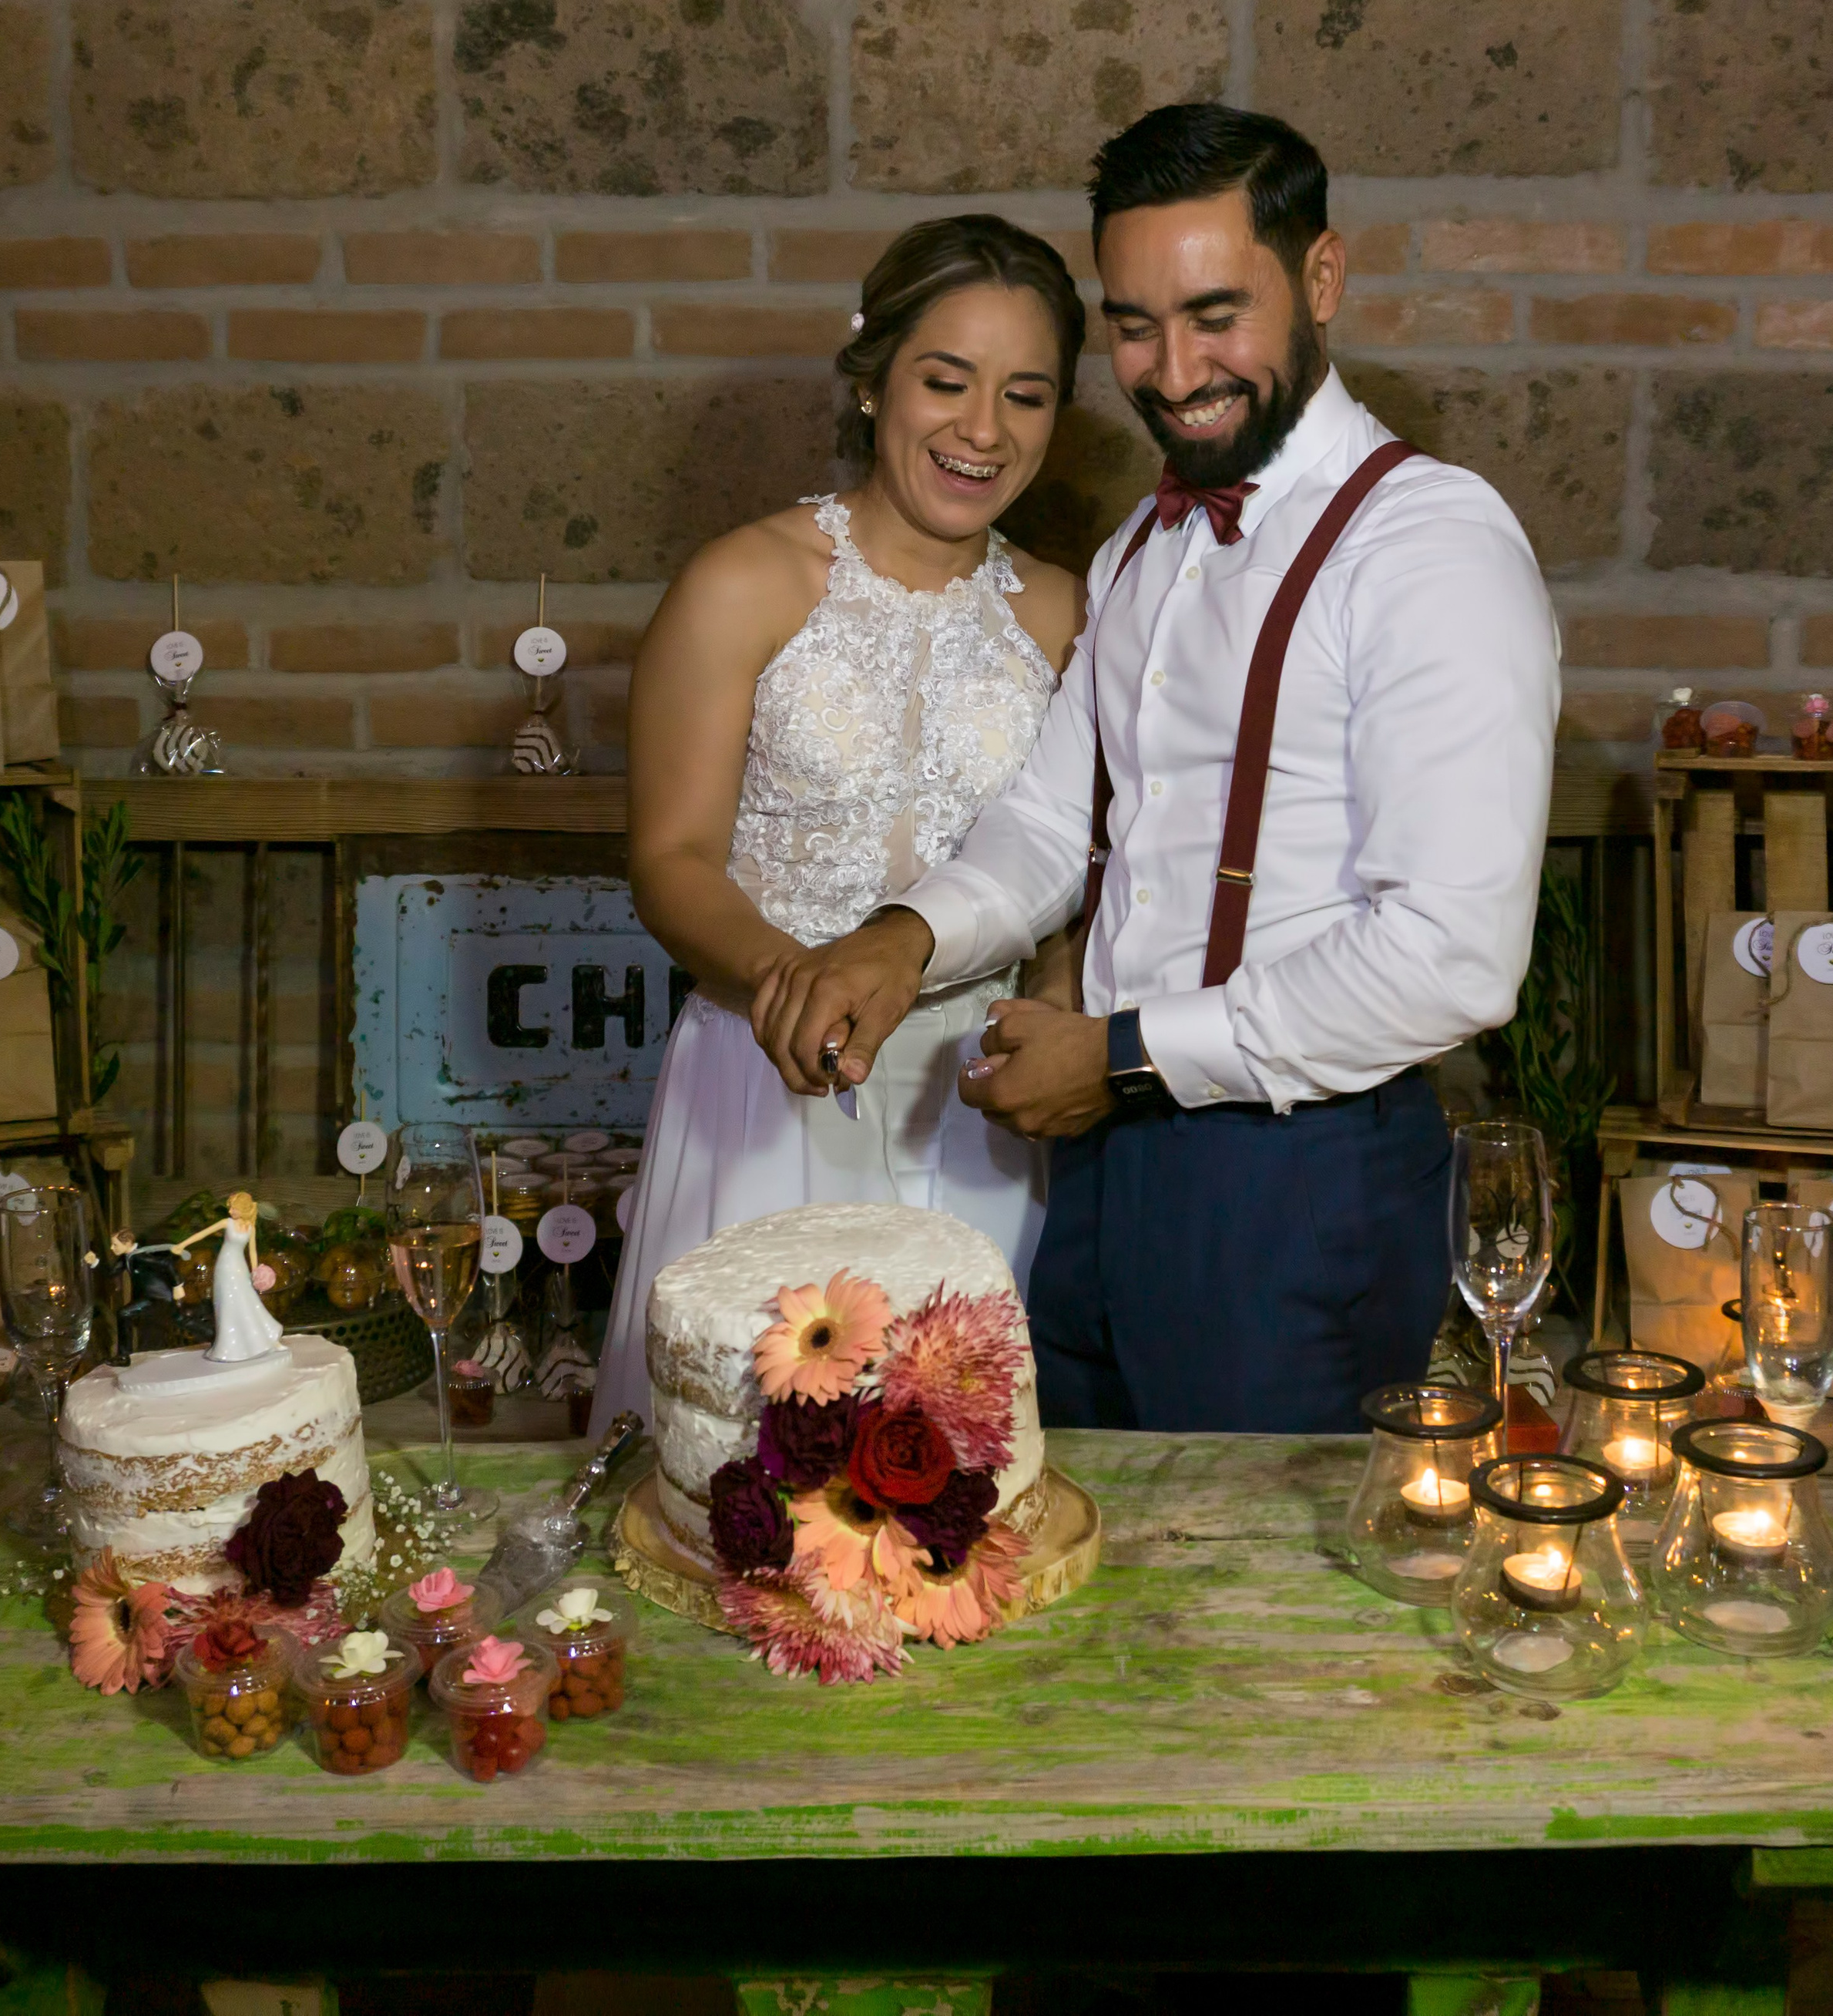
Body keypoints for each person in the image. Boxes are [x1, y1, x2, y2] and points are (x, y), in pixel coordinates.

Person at [753, 104, 1561, 1436]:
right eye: (1135, 325)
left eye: (1215, 315)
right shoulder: (1143, 546)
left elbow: (1452, 957)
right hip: (1101, 1173)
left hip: (1299, 1181)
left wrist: (1125, 1058)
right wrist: (904, 939)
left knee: (1268, 1568)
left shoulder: (1431, 548)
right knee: (1086, 1540)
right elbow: (1050, 815)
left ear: (1322, 278)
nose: (1175, 372)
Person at [592, 216, 1089, 1428]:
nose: (984, 430)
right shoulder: (743, 583)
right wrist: (791, 983)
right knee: (744, 1467)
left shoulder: (1067, 616)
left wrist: (1058, 1005)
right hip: (772, 1089)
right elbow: (670, 858)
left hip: (981, 1108)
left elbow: (1078, 865)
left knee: (969, 1471)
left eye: (1025, 395)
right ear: (872, 383)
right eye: (947, 381)